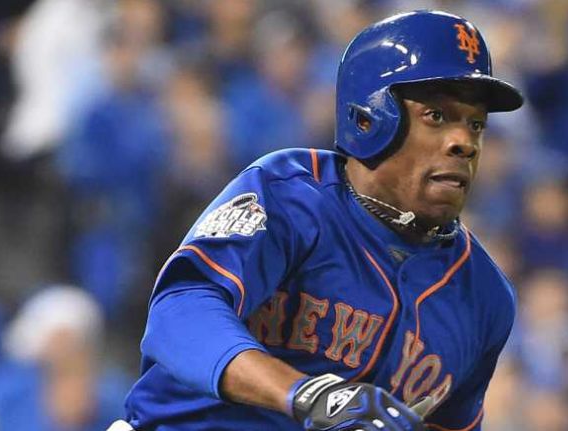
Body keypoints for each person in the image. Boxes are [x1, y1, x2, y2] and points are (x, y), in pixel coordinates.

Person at [112, 9, 524, 431]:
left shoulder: (484, 297)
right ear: (368, 118)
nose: (465, 143)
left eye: (476, 124)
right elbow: (178, 314)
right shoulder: (289, 194)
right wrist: (308, 395)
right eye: (436, 116)